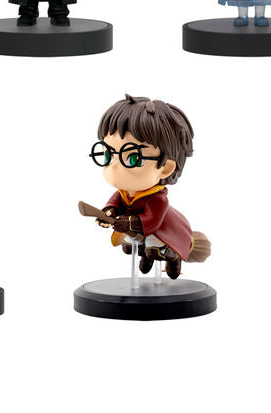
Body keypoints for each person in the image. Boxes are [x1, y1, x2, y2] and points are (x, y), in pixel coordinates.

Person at [89, 94, 210, 279]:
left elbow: (152, 221)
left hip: (161, 231)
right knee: (130, 246)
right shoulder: (124, 193)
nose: (114, 166)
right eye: (108, 155)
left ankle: (171, 261)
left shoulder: (157, 198)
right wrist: (109, 213)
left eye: (133, 158)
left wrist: (128, 222)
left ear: (166, 168)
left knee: (155, 247)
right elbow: (114, 203)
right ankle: (145, 257)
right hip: (138, 231)